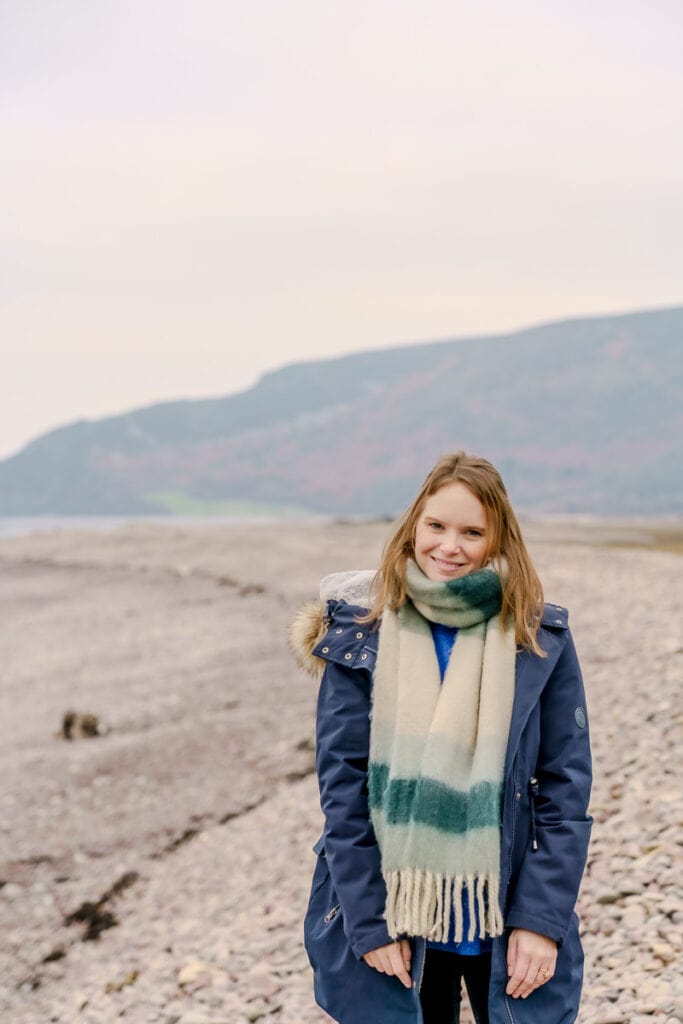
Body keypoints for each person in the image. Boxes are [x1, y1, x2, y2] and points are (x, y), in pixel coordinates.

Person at [291, 451, 592, 1024]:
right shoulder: (362, 640)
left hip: (501, 913)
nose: (449, 547)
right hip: (398, 918)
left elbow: (564, 788)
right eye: (436, 526)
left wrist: (541, 921)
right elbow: (344, 795)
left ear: (498, 540)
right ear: (413, 527)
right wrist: (370, 924)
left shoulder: (538, 639)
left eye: (471, 532)